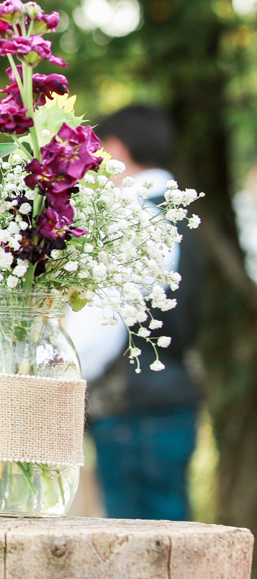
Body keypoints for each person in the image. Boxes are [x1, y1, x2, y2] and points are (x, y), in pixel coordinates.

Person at [66, 104, 205, 521]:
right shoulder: (175, 212)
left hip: (135, 410)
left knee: (138, 543)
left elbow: (104, 324)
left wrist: (62, 374)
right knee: (170, 534)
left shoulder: (136, 214)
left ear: (114, 148)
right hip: (171, 397)